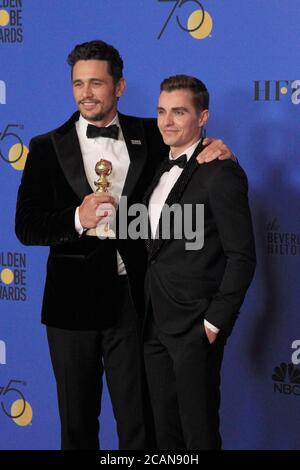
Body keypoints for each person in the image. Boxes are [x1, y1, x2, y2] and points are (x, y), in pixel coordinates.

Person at [15, 40, 234, 450]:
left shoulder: (152, 133)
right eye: (78, 83)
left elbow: (190, 157)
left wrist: (220, 150)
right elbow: (25, 227)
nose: (86, 93)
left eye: (96, 83)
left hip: (135, 304)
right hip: (70, 307)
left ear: (119, 87)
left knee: (142, 426)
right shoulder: (45, 146)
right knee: (76, 427)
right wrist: (76, 219)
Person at [143, 75, 256, 450]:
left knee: (199, 434)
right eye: (161, 111)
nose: (167, 121)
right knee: (165, 433)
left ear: (202, 116)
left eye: (179, 111)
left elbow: (242, 257)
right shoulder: (160, 167)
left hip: (195, 326)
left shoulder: (220, 171)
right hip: (153, 321)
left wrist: (213, 323)